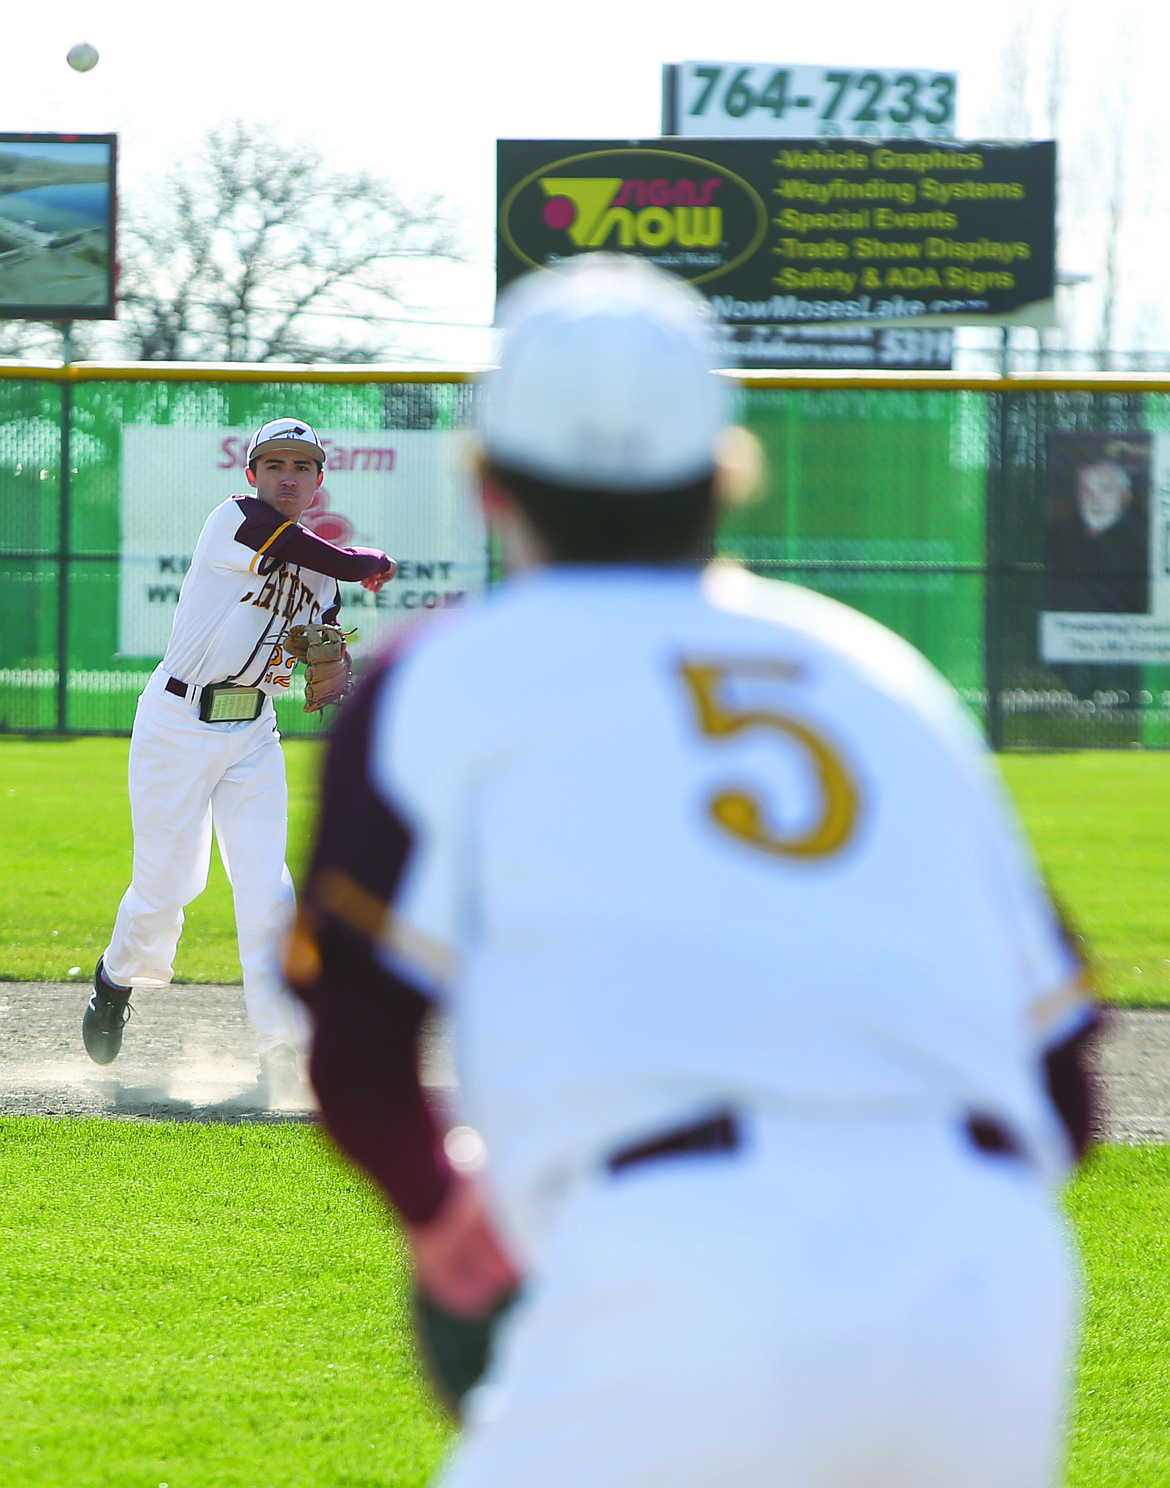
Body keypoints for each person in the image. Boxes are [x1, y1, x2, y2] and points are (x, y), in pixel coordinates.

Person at [286, 258, 1098, 1488]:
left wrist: (440, 1207)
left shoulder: (446, 674)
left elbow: (356, 1046)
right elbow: (1067, 1087)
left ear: (489, 480)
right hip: (991, 1284)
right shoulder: (879, 677)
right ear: (724, 468)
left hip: (679, 1258)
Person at [84, 417, 397, 1096]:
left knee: (269, 889)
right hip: (176, 719)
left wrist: (319, 662)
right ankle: (117, 976)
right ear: (251, 474)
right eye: (275, 464)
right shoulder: (235, 519)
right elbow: (340, 561)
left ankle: (281, 1046)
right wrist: (370, 561)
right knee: (169, 887)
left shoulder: (320, 581)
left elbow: (309, 640)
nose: (288, 476)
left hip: (252, 731)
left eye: (303, 466)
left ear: (319, 482)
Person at [1043, 455, 1149, 613]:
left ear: (1125, 496)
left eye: (1105, 490)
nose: (1094, 499)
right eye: (1086, 490)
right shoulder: (1057, 535)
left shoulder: (1143, 541)